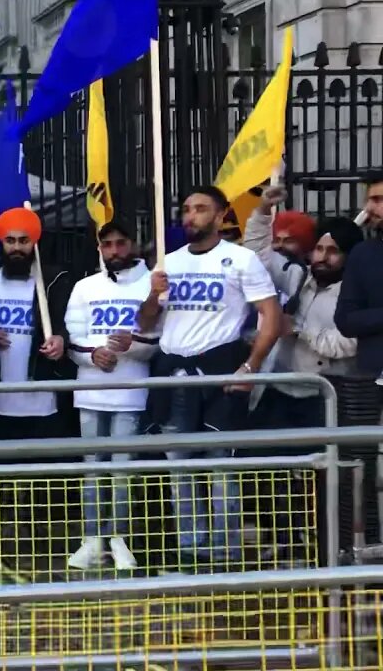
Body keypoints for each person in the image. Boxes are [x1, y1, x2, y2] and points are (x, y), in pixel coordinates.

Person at [138, 185, 280, 566]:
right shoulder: (169, 262)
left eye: (200, 209)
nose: (190, 216)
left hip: (220, 371)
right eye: (186, 209)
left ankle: (226, 549)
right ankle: (190, 547)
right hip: (175, 371)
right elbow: (145, 322)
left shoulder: (241, 260)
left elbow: (272, 316)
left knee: (220, 464)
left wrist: (251, 367)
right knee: (178, 465)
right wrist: (153, 295)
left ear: (220, 217)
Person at [63, 221, 159, 571]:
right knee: (91, 471)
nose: (115, 250)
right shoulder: (84, 287)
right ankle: (91, 541)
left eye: (121, 243)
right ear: (100, 248)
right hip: (89, 392)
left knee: (122, 473)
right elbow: (74, 337)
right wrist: (92, 355)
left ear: (133, 244)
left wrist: (131, 347)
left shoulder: (152, 283)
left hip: (131, 393)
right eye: (108, 245)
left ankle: (119, 539)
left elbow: (158, 338)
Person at [245, 186, 361, 428]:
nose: (322, 257)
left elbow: (347, 344)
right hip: (278, 389)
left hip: (324, 396)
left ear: (350, 256)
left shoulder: (357, 295)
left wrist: (300, 330)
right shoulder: (298, 276)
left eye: (333, 251)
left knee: (318, 464)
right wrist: (264, 210)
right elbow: (255, 256)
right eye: (319, 249)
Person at [0, 207, 73, 441]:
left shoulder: (53, 280)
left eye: (23, 240)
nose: (17, 247)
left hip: (40, 400)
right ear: (1, 242)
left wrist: (61, 339)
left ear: (34, 242)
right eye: (10, 241)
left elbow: (69, 324)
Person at [335, 171, 383, 388]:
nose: (370, 209)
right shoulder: (363, 254)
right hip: (374, 382)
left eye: (378, 200)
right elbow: (346, 320)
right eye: (369, 200)